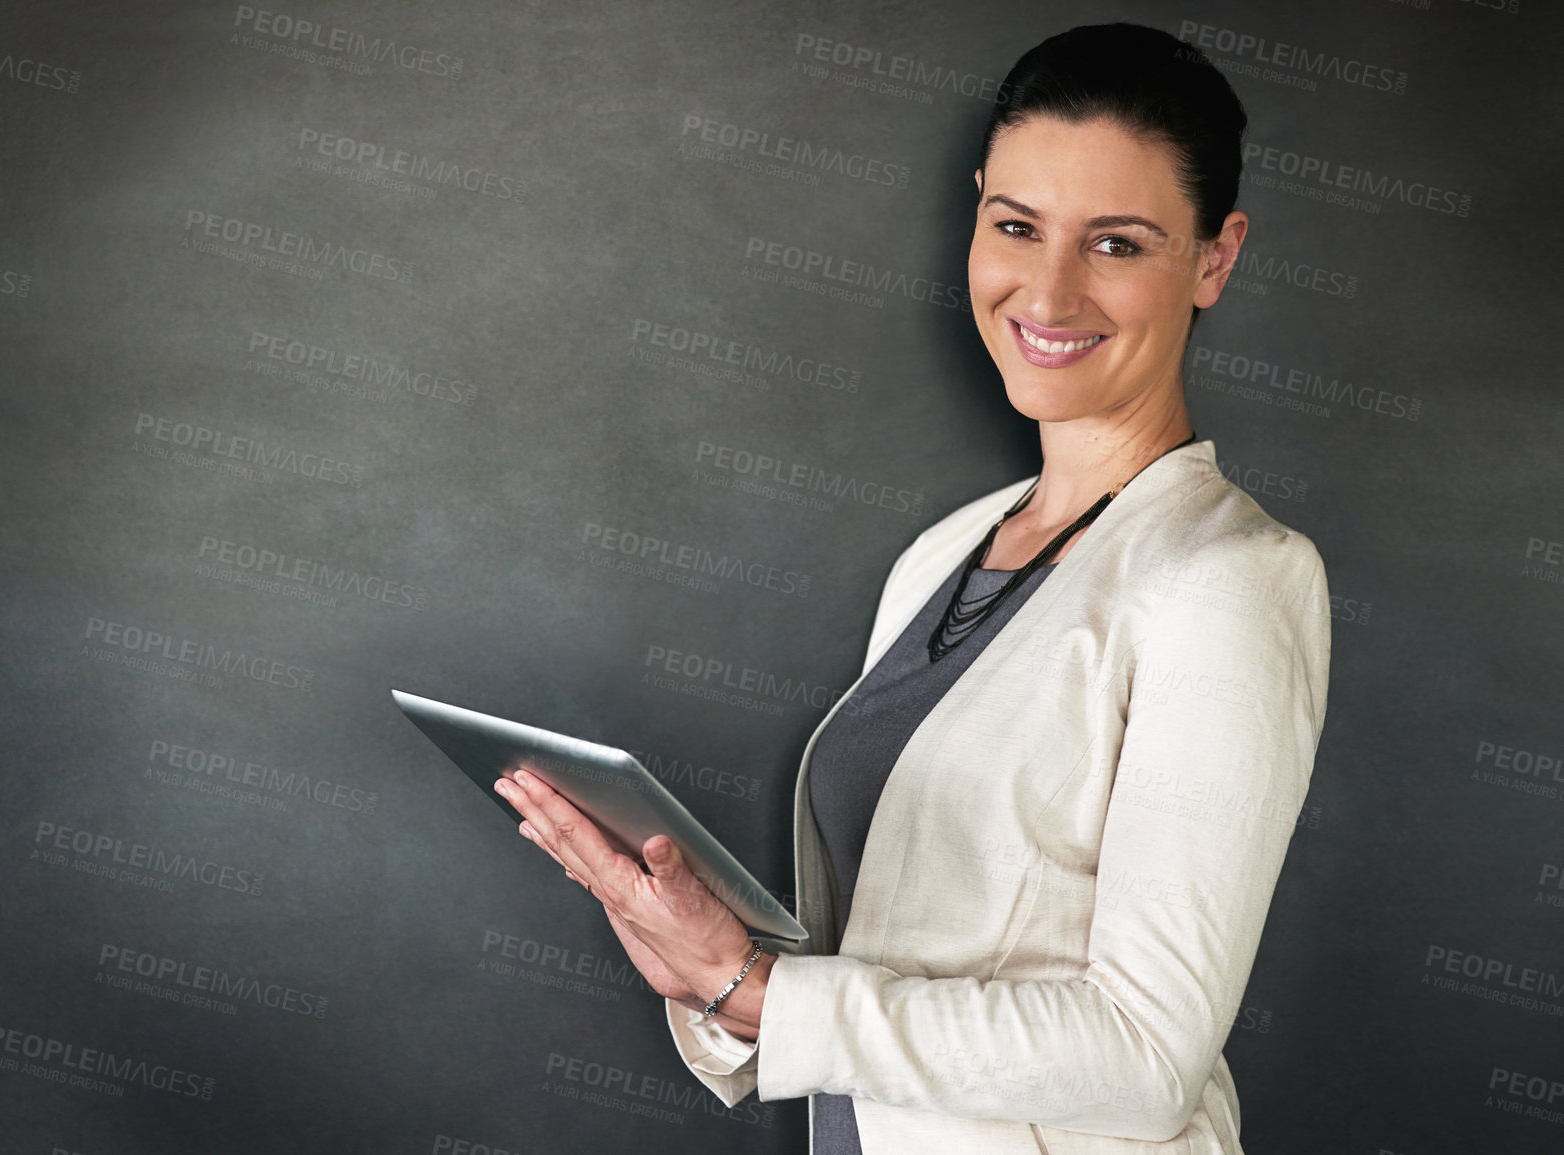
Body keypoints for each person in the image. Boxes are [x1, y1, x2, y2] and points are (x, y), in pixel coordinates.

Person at [494, 21, 1331, 1154]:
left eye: (1118, 244)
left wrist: (756, 994)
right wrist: (701, 960)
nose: (1048, 288)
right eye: (1016, 226)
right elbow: (891, 957)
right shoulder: (943, 555)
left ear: (1215, 259)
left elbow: (1144, 1059)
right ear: (976, 209)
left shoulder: (1230, 583)